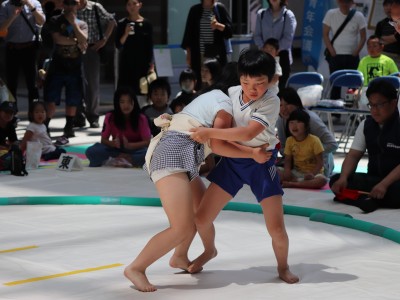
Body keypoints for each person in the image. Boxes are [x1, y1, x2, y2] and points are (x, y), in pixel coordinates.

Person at [123, 62, 272, 292]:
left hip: (183, 154)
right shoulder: (224, 106)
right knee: (180, 227)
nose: (251, 92)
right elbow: (219, 145)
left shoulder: (213, 96)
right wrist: (252, 153)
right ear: (237, 85)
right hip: (172, 153)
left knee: (201, 212)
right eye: (246, 84)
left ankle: (182, 255)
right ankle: (136, 267)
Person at [189, 49, 299, 284]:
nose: (251, 88)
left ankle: (283, 266)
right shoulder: (231, 93)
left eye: (259, 83)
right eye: (245, 81)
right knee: (201, 218)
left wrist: (209, 132)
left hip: (262, 161)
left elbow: (249, 131)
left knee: (276, 228)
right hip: (233, 159)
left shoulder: (271, 100)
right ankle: (209, 250)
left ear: (270, 81)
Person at [330, 79, 400, 213]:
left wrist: (384, 185)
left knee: (397, 191)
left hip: (394, 183)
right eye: (371, 105)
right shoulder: (365, 125)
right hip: (374, 179)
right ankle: (372, 199)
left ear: (394, 102)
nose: (374, 110)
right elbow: (353, 156)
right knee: (335, 180)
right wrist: (344, 178)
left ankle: (364, 199)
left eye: (379, 105)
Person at [43, 0, 88, 141]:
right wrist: (77, 41)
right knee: (51, 98)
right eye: (67, 3)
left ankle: (69, 126)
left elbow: (85, 38)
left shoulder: (82, 23)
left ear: (78, 5)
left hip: (75, 67)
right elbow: (58, 39)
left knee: (73, 98)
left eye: (73, 4)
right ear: (63, 5)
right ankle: (45, 126)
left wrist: (74, 24)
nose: (70, 7)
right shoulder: (55, 20)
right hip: (58, 66)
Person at [276, 87, 338, 177]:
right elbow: (283, 148)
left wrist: (308, 152)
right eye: (280, 105)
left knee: (319, 180)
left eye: (287, 104)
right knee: (271, 172)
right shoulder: (281, 120)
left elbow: (332, 144)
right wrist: (290, 153)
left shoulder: (310, 119)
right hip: (296, 167)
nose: (284, 109)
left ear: (296, 103)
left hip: (317, 168)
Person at [85, 87, 151, 168]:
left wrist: (130, 146)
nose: (126, 105)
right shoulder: (110, 117)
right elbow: (103, 140)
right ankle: (123, 159)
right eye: (122, 102)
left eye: (129, 102)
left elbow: (147, 142)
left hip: (136, 150)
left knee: (150, 153)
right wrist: (112, 143)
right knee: (91, 151)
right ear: (117, 103)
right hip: (116, 150)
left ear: (134, 102)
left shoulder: (141, 118)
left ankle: (123, 160)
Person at [75, 0, 116, 129]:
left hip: (92, 48)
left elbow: (112, 20)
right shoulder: (70, 6)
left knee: (92, 84)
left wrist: (104, 40)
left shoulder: (94, 7)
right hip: (73, 50)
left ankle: (93, 116)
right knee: (75, 83)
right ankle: (78, 116)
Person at [0, 0, 45, 113]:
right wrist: (13, 17)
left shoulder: (34, 3)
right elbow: (1, 29)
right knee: (11, 84)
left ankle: (34, 113)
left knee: (32, 83)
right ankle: (12, 114)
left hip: (29, 48)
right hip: (12, 48)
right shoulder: (6, 5)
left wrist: (30, 6)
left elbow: (42, 21)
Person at [181, 0, 232, 89]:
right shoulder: (195, 10)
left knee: (216, 82)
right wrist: (188, 55)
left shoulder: (219, 8)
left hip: (216, 56)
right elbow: (188, 34)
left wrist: (217, 25)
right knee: (199, 82)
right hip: (199, 55)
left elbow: (230, 31)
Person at [323, 0, 366, 100]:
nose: (344, 4)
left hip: (352, 56)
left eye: (347, 1)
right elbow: (325, 34)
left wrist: (356, 52)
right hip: (335, 56)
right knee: (335, 84)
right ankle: (335, 113)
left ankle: (352, 111)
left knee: (353, 84)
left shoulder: (358, 15)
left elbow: (363, 37)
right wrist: (331, 51)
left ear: (352, 3)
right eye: (342, 1)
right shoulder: (331, 13)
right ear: (338, 2)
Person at [115, 0, 154, 108]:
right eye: (129, 4)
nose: (131, 6)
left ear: (140, 5)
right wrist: (126, 33)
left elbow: (150, 46)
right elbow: (118, 45)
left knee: (142, 91)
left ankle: (142, 115)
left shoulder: (147, 24)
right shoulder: (122, 23)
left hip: (142, 65)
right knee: (125, 92)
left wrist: (151, 64)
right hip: (126, 64)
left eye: (134, 3)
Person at [278, 109, 327, 189]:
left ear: (306, 125)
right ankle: (298, 181)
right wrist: (287, 170)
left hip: (313, 174)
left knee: (322, 180)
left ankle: (293, 184)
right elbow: (287, 160)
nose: (294, 125)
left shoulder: (314, 140)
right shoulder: (289, 140)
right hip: (296, 172)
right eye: (291, 122)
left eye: (298, 122)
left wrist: (312, 174)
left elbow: (320, 162)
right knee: (274, 172)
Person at [254, 0, 297, 90]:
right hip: (264, 56)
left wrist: (274, 50)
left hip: (282, 55)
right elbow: (257, 35)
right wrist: (265, 49)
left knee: (280, 88)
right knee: (264, 87)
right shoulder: (261, 14)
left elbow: (288, 38)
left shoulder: (288, 15)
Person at [375, 0, 400, 66]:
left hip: (397, 57)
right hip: (383, 55)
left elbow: (396, 38)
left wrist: (384, 39)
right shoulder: (381, 24)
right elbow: (377, 41)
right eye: (385, 6)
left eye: (391, 5)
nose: (388, 8)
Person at [0, 101, 18, 171]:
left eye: (11, 113)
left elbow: (14, 142)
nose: (9, 115)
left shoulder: (10, 125)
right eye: (6, 112)